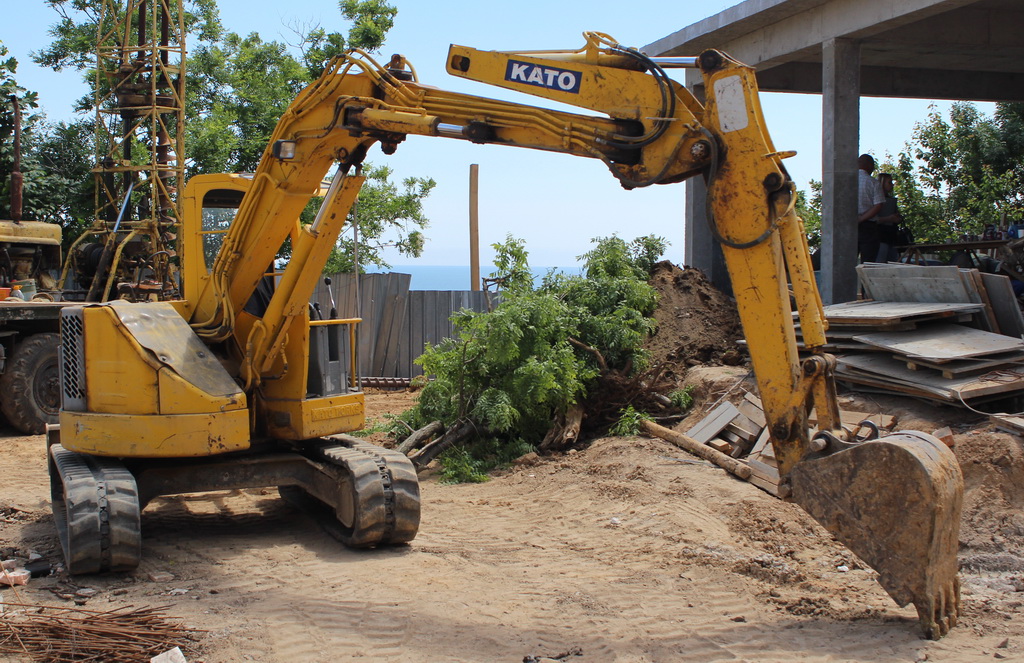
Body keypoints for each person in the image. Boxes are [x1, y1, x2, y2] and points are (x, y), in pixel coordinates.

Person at [857, 154, 885, 263]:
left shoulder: (846, 182)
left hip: (847, 225)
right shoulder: (873, 182)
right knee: (868, 262)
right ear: (869, 166)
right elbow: (878, 205)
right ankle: (864, 280)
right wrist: (861, 219)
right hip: (868, 227)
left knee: (847, 261)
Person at [874, 172, 902, 262]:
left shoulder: (891, 200)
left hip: (892, 236)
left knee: (892, 261)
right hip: (880, 235)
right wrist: (889, 218)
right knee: (880, 261)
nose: (892, 185)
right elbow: (874, 219)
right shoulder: (875, 199)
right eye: (889, 182)